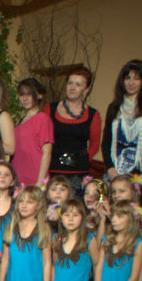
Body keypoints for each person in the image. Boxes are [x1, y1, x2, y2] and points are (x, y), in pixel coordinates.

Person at [102, 59, 142, 191]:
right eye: (127, 78)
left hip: (138, 171)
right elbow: (106, 142)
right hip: (114, 171)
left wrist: (134, 173)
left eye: (136, 78)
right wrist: (110, 168)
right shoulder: (114, 107)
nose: (131, 82)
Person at [45, 65, 101, 193]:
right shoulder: (49, 109)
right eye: (70, 83)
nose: (72, 87)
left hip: (78, 174)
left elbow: (94, 147)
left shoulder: (93, 115)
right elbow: (42, 141)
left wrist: (79, 160)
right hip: (52, 171)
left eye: (78, 84)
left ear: (86, 90)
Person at [0, 186, 51, 281]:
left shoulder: (44, 229)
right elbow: (5, 260)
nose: (24, 205)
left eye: (29, 202)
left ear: (38, 205)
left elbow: (47, 262)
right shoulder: (11, 227)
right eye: (21, 201)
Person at [51, 199, 96, 281]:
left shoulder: (89, 240)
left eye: (75, 215)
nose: (70, 219)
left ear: (82, 218)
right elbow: (54, 265)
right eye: (67, 215)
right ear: (61, 218)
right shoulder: (56, 239)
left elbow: (97, 266)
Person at [13, 78, 53, 186]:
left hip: (34, 178)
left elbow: (47, 153)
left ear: (39, 95)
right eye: (22, 94)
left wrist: (40, 182)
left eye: (29, 94)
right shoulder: (20, 120)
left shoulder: (43, 119)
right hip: (18, 178)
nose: (25, 98)